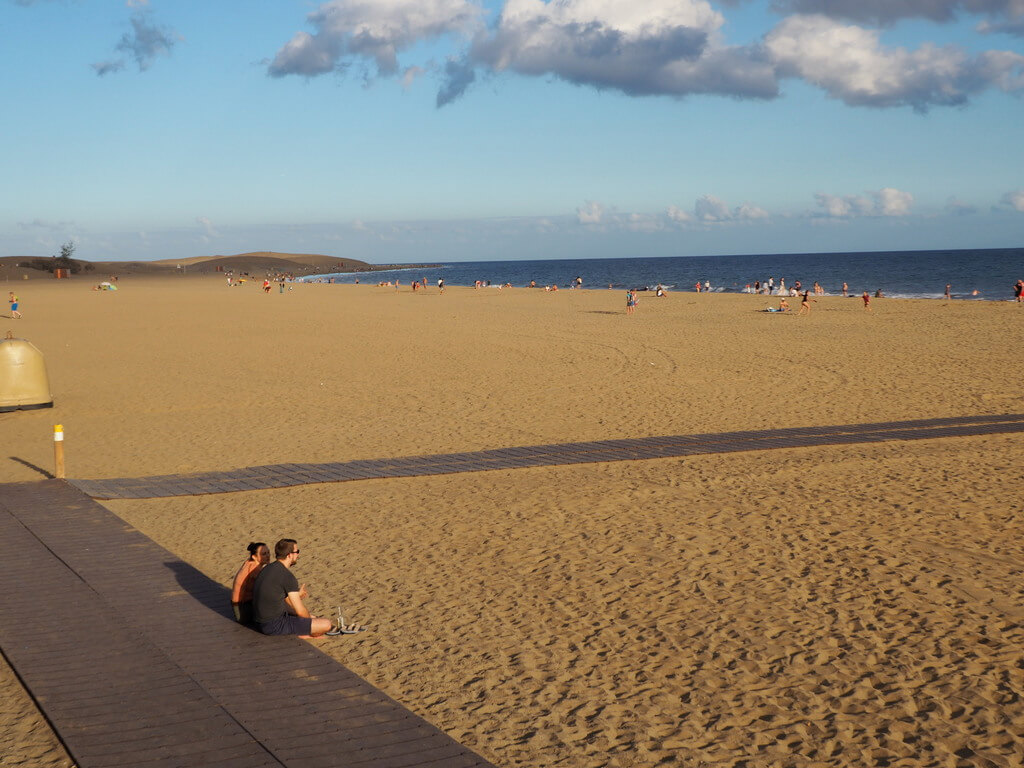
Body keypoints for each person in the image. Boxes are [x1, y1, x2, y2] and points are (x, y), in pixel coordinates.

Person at [252, 538, 351, 637]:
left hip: (259, 622)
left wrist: (310, 617)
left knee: (310, 617)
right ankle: (303, 635)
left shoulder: (269, 568)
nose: (298, 555)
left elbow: (284, 602)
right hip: (273, 626)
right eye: (297, 552)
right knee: (326, 624)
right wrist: (310, 623)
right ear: (289, 555)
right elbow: (300, 611)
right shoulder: (287, 576)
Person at [231, 542, 270, 624]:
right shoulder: (254, 569)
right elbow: (268, 587)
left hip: (239, 606)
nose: (268, 556)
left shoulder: (249, 562)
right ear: (254, 557)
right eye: (264, 554)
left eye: (268, 552)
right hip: (242, 611)